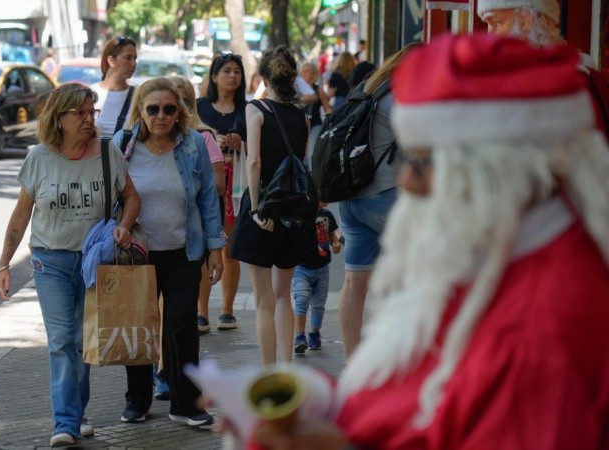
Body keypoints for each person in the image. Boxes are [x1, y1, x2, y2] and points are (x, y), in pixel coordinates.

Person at [249, 33, 609, 450]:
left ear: (502, 169)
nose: (407, 180)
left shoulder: (542, 326)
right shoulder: (492, 257)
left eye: (422, 162)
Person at [0, 82, 141, 448]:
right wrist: (4, 264)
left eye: (92, 112)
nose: (89, 119)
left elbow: (131, 197)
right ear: (59, 118)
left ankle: (76, 413)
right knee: (62, 341)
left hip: (96, 261)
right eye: (80, 113)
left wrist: (123, 226)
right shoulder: (39, 157)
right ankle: (66, 422)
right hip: (51, 260)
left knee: (80, 341)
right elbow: (20, 216)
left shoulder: (109, 153)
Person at [115, 77, 225, 427]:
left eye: (169, 109)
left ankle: (186, 404)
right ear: (141, 111)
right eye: (153, 109)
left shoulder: (193, 144)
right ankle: (138, 401)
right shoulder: (124, 144)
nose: (161, 116)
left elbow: (209, 199)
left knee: (181, 327)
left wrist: (216, 249)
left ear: (179, 112)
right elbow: (110, 195)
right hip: (136, 253)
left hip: (183, 251)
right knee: (138, 328)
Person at [230, 45, 310, 365]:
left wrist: (254, 208)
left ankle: (268, 371)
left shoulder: (256, 110)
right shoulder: (302, 118)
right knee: (283, 296)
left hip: (262, 207)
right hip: (292, 211)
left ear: (264, 77)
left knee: (263, 300)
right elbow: (300, 164)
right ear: (292, 78)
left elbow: (254, 162)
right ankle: (288, 368)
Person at [336, 45, 413, 362]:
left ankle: (352, 364)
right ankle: (400, 359)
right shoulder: (402, 98)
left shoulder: (369, 88)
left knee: (354, 282)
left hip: (353, 197)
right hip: (386, 196)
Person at [477, 0, 609, 139]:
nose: (490, 35)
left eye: (498, 23)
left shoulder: (570, 84)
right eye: (488, 25)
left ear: (526, 20)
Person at [170, 75, 226, 335]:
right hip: (167, 224)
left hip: (196, 218)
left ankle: (201, 311)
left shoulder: (203, 137)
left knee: (199, 264)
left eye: (182, 100)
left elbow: (217, 184)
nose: (176, 106)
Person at [196, 53, 247, 331]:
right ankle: (201, 312)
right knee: (204, 248)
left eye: (237, 71)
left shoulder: (248, 110)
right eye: (226, 71)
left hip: (236, 188)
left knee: (231, 249)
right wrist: (211, 142)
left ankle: (227, 310)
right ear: (214, 77)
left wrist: (241, 144)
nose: (232, 76)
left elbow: (258, 149)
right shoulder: (199, 108)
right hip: (205, 185)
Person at [292, 202, 341, 354]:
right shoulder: (300, 214)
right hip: (302, 268)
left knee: (319, 304)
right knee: (301, 300)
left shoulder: (327, 215)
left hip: (322, 269)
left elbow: (332, 234)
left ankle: (315, 334)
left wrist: (335, 243)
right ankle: (299, 337)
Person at [92, 36, 138, 140]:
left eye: (135, 58)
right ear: (111, 60)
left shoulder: (138, 96)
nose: (134, 63)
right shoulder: (90, 94)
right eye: (128, 58)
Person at [300, 62, 331, 169]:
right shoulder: (297, 90)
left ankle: (312, 179)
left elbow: (327, 108)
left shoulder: (318, 90)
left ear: (313, 73)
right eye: (302, 71)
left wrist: (333, 121)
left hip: (315, 125)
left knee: (311, 154)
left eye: (307, 71)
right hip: (300, 126)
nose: (303, 73)